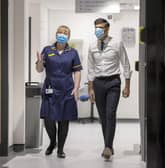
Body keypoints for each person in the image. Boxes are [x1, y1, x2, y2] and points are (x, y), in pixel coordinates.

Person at [88, 18, 132, 160]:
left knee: (110, 113)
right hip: (98, 83)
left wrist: (127, 86)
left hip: (113, 82)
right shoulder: (92, 46)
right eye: (96, 27)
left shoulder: (116, 43)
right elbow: (90, 68)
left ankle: (107, 146)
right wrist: (90, 89)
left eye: (101, 27)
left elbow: (126, 64)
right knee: (103, 116)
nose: (98, 30)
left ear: (107, 29)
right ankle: (109, 145)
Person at [36, 25, 82, 158]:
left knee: (64, 120)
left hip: (67, 89)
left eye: (65, 33)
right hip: (50, 89)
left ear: (68, 36)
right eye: (60, 32)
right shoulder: (47, 50)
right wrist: (39, 62)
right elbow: (39, 70)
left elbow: (77, 71)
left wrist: (76, 87)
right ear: (56, 34)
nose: (62, 34)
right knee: (48, 120)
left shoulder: (73, 52)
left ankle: (60, 149)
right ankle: (52, 142)